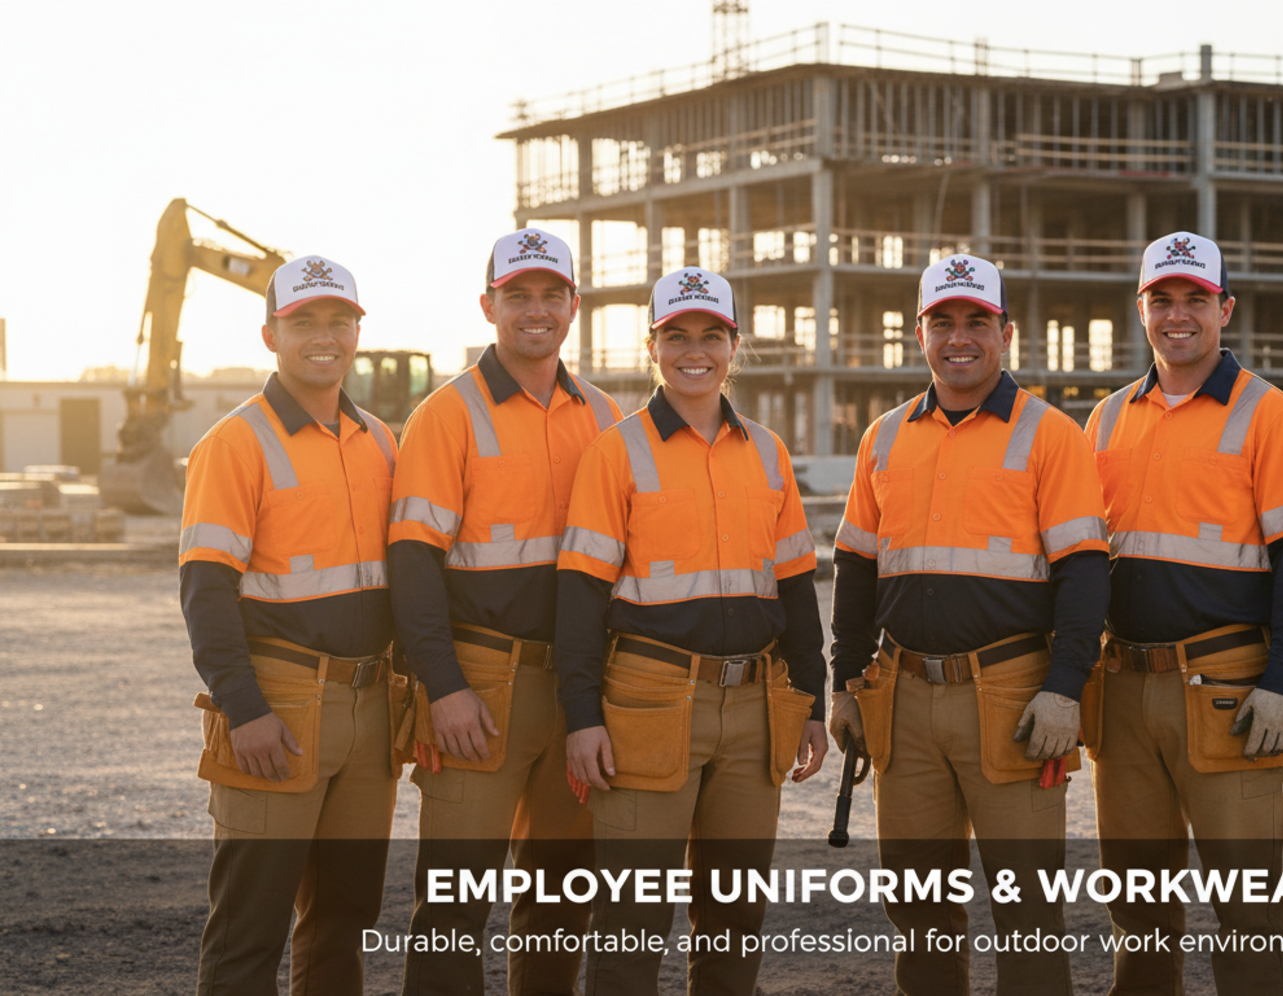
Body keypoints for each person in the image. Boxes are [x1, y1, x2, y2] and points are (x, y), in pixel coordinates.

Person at [828, 253, 1110, 995]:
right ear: (919, 333)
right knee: (917, 911)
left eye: (977, 321)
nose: (960, 337)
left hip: (1014, 700)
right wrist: (844, 684)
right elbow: (855, 568)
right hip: (903, 698)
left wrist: (1064, 689)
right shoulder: (884, 437)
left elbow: (1084, 573)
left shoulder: (1051, 434)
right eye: (943, 321)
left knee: (1028, 913)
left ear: (1005, 333)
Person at [560, 265, 829, 995]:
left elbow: (796, 586)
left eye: (711, 334)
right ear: (652, 348)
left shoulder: (768, 452)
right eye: (676, 336)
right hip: (646, 702)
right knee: (631, 922)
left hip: (753, 708)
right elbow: (580, 598)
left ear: (734, 345)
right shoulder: (616, 451)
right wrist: (581, 717)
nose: (694, 351)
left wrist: (811, 700)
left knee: (736, 918)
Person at [1083, 232, 1283, 994]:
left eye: (1196, 298)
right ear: (1141, 310)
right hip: (1124, 691)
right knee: (1137, 904)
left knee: (1246, 908)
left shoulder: (1270, 414)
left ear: (1226, 309)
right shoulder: (1107, 419)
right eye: (1162, 299)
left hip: (1229, 689)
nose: (1178, 314)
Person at [390, 228, 622, 996]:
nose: (536, 309)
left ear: (574, 305)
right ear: (488, 306)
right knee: (454, 904)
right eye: (517, 294)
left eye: (551, 294)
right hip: (481, 689)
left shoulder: (605, 416)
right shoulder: (446, 415)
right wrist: (443, 687)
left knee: (560, 898)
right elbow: (412, 563)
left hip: (580, 691)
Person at [179, 255, 398, 994]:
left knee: (343, 919)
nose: (324, 336)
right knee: (249, 928)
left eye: (339, 320)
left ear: (357, 333)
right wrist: (245, 710)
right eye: (304, 321)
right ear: (271, 334)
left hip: (371, 711)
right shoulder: (233, 443)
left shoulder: (380, 442)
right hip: (279, 707)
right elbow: (205, 592)